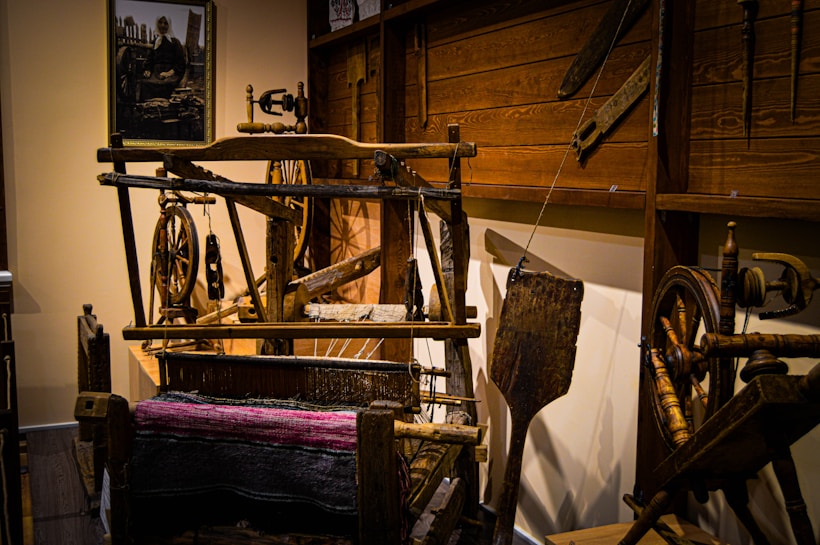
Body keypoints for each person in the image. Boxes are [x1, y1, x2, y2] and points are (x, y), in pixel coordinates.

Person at [141, 15, 186, 100]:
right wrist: (148, 70)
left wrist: (169, 73)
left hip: (171, 74)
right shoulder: (154, 42)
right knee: (145, 84)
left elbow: (180, 63)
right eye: (160, 22)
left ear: (169, 25)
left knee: (165, 86)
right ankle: (149, 110)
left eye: (165, 23)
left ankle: (164, 111)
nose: (162, 25)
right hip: (155, 73)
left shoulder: (175, 42)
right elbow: (150, 60)